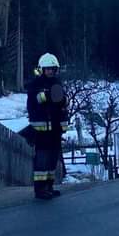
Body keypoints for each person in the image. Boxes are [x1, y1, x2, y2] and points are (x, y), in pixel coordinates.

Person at [26, 53, 69, 200]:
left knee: (52, 159)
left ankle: (49, 186)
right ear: (42, 69)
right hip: (41, 131)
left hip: (55, 129)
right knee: (42, 159)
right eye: (47, 69)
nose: (50, 71)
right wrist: (49, 95)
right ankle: (40, 190)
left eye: (52, 69)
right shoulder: (35, 84)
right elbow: (36, 100)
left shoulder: (57, 83)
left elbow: (63, 101)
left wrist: (63, 99)